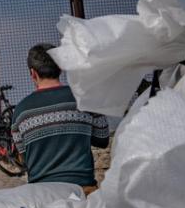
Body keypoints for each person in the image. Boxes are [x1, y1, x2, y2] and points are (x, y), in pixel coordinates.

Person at [11, 44, 110, 194]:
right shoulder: (84, 99)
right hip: (82, 190)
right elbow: (102, 140)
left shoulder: (20, 112)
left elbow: (24, 157)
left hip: (41, 193)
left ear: (33, 73)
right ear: (61, 67)